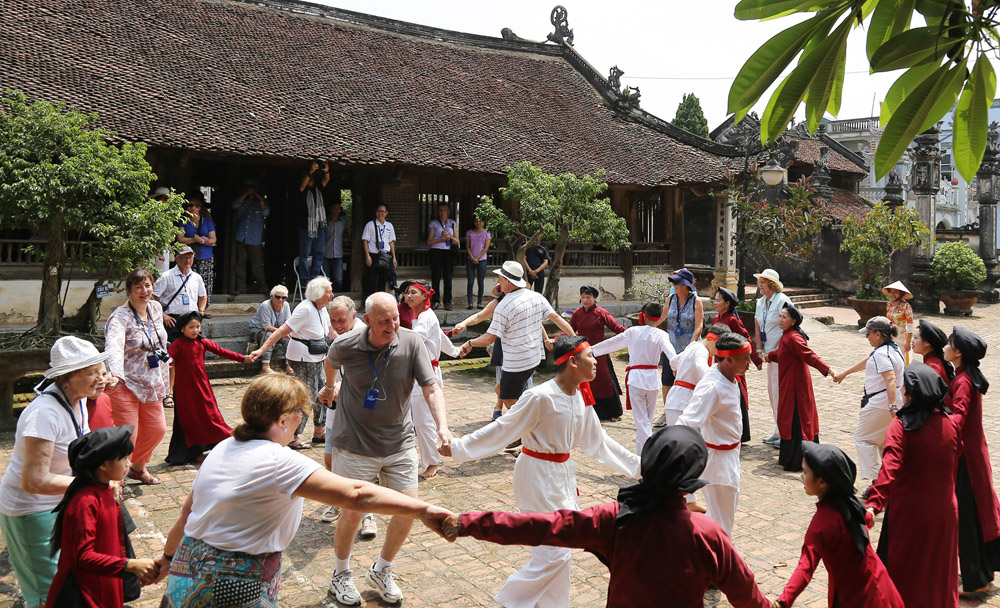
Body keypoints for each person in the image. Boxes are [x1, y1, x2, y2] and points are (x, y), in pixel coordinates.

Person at [152, 373, 454, 606]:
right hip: (235, 578)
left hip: (187, 565)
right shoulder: (279, 461)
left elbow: (187, 513)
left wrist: (167, 558)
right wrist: (423, 509)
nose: (303, 420)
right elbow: (357, 494)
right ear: (283, 419)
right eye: (301, 413)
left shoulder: (224, 446)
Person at [443, 426, 771, 608]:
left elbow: (540, 527)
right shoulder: (708, 534)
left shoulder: (614, 518)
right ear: (693, 477)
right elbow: (748, 597)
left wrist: (466, 523)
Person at [440, 335, 641, 608]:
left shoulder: (580, 396)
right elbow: (504, 429)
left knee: (557, 550)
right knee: (557, 551)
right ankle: (511, 600)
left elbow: (598, 442)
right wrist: (459, 448)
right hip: (536, 475)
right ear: (572, 361)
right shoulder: (540, 396)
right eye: (590, 356)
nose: (596, 361)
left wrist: (640, 467)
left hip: (562, 476)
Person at [317, 292, 452, 606]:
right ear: (367, 321)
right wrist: (329, 384)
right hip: (354, 443)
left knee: (410, 509)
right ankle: (340, 574)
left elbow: (431, 387)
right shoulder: (346, 344)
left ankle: (382, 569)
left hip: (399, 441)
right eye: (383, 321)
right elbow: (330, 362)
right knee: (352, 512)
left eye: (395, 318)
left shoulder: (411, 341)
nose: (392, 325)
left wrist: (442, 426)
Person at [0, 337, 106, 608]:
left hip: (59, 502)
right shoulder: (44, 414)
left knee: (68, 581)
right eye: (91, 373)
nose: (100, 378)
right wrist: (90, 484)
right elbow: (34, 480)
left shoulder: (79, 399)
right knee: (48, 591)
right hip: (31, 509)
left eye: (100, 369)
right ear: (66, 378)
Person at [864, 363, 961, 608]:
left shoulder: (901, 426)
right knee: (939, 575)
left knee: (907, 576)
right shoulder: (951, 423)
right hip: (945, 513)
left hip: (910, 514)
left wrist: (874, 504)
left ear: (908, 393)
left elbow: (889, 468)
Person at [775, 443, 904, 608]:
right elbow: (867, 518)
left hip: (856, 598)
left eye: (805, 472)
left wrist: (783, 601)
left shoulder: (821, 524)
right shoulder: (852, 505)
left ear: (822, 482)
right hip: (881, 585)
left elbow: (805, 569)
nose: (802, 476)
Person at [45, 426, 159, 608]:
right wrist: (130, 565)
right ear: (104, 465)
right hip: (83, 593)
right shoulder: (85, 502)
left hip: (104, 581)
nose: (129, 463)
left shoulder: (106, 490)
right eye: (123, 458)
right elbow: (83, 557)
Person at [459, 260, 575, 410]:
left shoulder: (504, 305)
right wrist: (575, 339)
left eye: (500, 280)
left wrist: (469, 343)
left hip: (516, 361)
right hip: (533, 357)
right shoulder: (535, 297)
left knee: (508, 398)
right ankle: (525, 421)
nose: (498, 282)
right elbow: (557, 318)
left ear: (508, 282)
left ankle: (526, 427)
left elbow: (489, 338)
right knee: (502, 390)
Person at [677, 332, 752, 537]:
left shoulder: (728, 376)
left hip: (728, 456)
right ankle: (718, 564)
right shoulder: (712, 386)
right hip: (719, 464)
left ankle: (702, 556)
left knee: (717, 519)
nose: (750, 363)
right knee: (722, 526)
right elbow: (687, 421)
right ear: (729, 359)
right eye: (745, 358)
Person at [945, 327, 1000, 594]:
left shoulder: (964, 381)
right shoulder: (963, 375)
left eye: (949, 344)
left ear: (958, 353)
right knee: (973, 515)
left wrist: (938, 428)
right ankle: (980, 574)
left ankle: (976, 580)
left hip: (966, 456)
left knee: (966, 517)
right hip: (970, 453)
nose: (944, 347)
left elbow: (959, 416)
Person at [250, 277, 333, 449]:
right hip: (303, 358)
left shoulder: (322, 309)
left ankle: (319, 430)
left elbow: (331, 332)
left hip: (318, 357)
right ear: (318, 294)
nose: (332, 295)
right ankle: (295, 435)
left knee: (324, 392)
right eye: (328, 292)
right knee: (306, 396)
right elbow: (281, 331)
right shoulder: (305, 309)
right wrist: (262, 350)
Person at [105, 268, 170, 485]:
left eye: (148, 285)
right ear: (129, 290)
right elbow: (113, 346)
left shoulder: (155, 308)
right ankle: (116, 478)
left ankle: (137, 467)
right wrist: (115, 374)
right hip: (126, 382)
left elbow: (158, 338)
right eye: (139, 287)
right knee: (127, 436)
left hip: (151, 380)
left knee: (157, 429)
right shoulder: (119, 317)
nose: (145, 291)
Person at [590, 302, 677, 455]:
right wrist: (677, 367)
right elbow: (672, 355)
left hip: (637, 380)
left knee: (642, 421)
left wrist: (591, 350)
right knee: (646, 421)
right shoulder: (662, 335)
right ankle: (642, 455)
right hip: (652, 380)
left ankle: (648, 454)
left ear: (642, 315)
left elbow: (612, 343)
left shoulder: (633, 331)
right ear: (658, 319)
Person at [165, 311, 250, 466]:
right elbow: (169, 359)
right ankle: (193, 453)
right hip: (184, 391)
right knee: (189, 419)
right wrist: (164, 362)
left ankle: (223, 443)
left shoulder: (203, 342)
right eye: (191, 327)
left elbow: (222, 351)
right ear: (182, 328)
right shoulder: (178, 344)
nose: (195, 330)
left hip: (202, 387)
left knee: (210, 415)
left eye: (198, 326)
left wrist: (243, 358)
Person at [832, 316, 904, 483]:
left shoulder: (881, 354)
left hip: (880, 404)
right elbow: (869, 361)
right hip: (891, 401)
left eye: (869, 334)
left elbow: (890, 379)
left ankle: (875, 481)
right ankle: (890, 479)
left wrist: (892, 406)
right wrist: (845, 373)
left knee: (863, 439)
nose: (867, 337)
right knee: (884, 443)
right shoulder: (893, 349)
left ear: (878, 334)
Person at [319, 296, 369, 527]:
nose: (337, 325)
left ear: (354, 315)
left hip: (360, 412)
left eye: (341, 320)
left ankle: (367, 512)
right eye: (333, 321)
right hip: (336, 408)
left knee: (360, 463)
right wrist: (329, 388)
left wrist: (341, 385)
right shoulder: (338, 339)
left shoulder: (366, 338)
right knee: (330, 459)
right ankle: (339, 500)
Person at [402, 280, 461, 479]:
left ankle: (432, 462)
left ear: (425, 296)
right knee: (418, 420)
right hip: (422, 372)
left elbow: (416, 338)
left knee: (423, 422)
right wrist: (456, 352)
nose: (408, 296)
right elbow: (440, 339)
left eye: (413, 293)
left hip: (425, 375)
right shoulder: (422, 316)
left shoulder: (425, 318)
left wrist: (391, 333)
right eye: (407, 293)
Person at [767, 304, 835, 472]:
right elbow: (784, 353)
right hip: (788, 382)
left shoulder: (794, 337)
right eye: (780, 316)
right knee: (788, 418)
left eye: (784, 317)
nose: (780, 320)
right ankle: (790, 457)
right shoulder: (786, 336)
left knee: (796, 419)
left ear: (793, 321)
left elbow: (809, 355)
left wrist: (828, 369)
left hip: (796, 386)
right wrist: (769, 356)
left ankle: (799, 459)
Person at [655, 268, 704, 425]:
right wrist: (648, 326)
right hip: (671, 348)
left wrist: (690, 347)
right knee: (667, 381)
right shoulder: (671, 298)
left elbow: (699, 326)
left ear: (685, 285)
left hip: (689, 350)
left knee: (689, 382)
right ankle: (667, 411)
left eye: (677, 282)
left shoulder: (696, 301)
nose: (674, 285)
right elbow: (662, 317)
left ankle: (692, 412)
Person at [570, 285, 626, 421]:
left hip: (600, 352)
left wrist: (633, 334)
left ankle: (614, 411)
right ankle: (593, 412)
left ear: (594, 298)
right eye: (583, 297)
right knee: (588, 380)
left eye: (588, 297)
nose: (585, 300)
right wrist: (556, 339)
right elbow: (569, 329)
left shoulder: (601, 312)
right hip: (584, 352)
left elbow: (616, 327)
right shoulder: (577, 313)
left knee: (605, 380)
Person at [713, 287, 763, 441]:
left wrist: (755, 359)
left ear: (727, 304)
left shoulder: (733, 320)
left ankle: (741, 433)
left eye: (718, 300)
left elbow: (746, 339)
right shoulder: (716, 319)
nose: (715, 302)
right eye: (714, 299)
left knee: (737, 395)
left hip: (733, 364)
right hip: (719, 363)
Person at [753, 268, 792, 447]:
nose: (760, 285)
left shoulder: (782, 300)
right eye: (760, 281)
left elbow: (791, 324)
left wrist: (779, 348)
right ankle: (778, 430)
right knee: (772, 393)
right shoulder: (760, 302)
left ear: (771, 284)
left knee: (780, 393)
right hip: (768, 353)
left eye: (763, 282)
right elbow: (757, 325)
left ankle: (784, 433)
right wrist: (759, 349)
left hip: (780, 353)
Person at [664, 324, 725, 427]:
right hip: (684, 402)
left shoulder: (693, 346)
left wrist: (677, 370)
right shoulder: (702, 351)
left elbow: (673, 361)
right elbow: (701, 367)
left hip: (675, 399)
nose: (717, 353)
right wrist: (717, 383)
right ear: (716, 343)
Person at [152, 246, 206, 343]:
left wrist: (201, 312)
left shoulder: (197, 277)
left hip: (192, 318)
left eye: (190, 257)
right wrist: (163, 315)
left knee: (199, 345)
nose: (188, 261)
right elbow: (152, 296)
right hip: (173, 320)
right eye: (184, 258)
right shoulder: (166, 276)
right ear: (177, 258)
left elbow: (203, 296)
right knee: (174, 350)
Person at [176, 192, 217, 316]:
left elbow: (213, 240)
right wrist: (196, 240)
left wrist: (202, 241)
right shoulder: (183, 221)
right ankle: (190, 307)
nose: (188, 208)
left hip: (205, 256)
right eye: (187, 206)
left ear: (198, 208)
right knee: (188, 282)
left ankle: (203, 309)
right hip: (188, 256)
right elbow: (180, 239)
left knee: (206, 283)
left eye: (191, 205)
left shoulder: (207, 222)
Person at [231, 181, 270, 296]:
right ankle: (241, 288)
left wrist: (259, 197)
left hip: (254, 237)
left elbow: (266, 212)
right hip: (241, 236)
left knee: (257, 264)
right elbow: (234, 205)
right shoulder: (244, 200)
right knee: (240, 263)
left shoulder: (262, 202)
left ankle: (263, 288)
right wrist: (246, 194)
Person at [248, 285, 292, 374]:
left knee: (290, 339)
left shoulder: (286, 305)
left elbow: (288, 322)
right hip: (258, 330)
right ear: (272, 296)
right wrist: (282, 332)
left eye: (284, 298)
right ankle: (265, 366)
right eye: (277, 297)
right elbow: (267, 327)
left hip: (278, 330)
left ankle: (289, 365)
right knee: (269, 335)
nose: (280, 300)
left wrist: (286, 333)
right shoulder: (265, 305)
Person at [297, 160, 330, 282]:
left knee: (319, 253)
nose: (311, 179)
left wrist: (326, 171)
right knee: (304, 254)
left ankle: (314, 277)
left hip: (319, 226)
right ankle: (305, 278)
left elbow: (326, 180)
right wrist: (310, 172)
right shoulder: (303, 190)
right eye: (309, 178)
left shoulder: (318, 189)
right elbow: (302, 185)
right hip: (306, 227)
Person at [427, 202, 459, 310]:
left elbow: (457, 241)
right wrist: (442, 239)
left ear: (448, 212)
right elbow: (429, 241)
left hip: (448, 252)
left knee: (448, 277)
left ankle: (447, 301)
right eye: (440, 210)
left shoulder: (452, 223)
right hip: (436, 251)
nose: (442, 213)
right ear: (438, 212)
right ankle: (435, 300)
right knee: (435, 277)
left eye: (444, 210)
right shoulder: (433, 223)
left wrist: (449, 237)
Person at [362, 203, 396, 297]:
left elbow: (391, 242)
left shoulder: (389, 226)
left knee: (383, 280)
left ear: (386, 213)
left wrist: (394, 258)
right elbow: (365, 240)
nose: (380, 213)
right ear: (376, 212)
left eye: (382, 211)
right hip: (373, 255)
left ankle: (380, 303)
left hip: (385, 256)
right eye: (378, 211)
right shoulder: (370, 225)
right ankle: (369, 304)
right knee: (371, 280)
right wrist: (367, 256)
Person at [912, 319, 954, 384]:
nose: (912, 341)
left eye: (915, 338)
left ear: (927, 343)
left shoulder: (933, 366)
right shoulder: (933, 361)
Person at [882, 281, 914, 365]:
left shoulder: (906, 306)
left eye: (895, 292)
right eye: (891, 292)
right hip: (890, 335)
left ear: (901, 293)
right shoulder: (889, 305)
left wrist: (908, 341)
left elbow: (910, 325)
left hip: (902, 336)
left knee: (901, 358)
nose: (893, 294)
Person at [465, 217, 491, 309]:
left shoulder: (486, 233)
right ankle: (470, 303)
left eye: (480, 221)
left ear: (483, 222)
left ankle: (479, 302)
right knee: (470, 281)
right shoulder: (469, 233)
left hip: (482, 260)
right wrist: (472, 257)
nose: (478, 223)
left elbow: (486, 247)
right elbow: (467, 247)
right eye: (476, 221)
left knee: (480, 282)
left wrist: (478, 257)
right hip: (470, 259)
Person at [324, 200, 346, 291]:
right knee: (325, 280)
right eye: (334, 208)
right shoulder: (325, 222)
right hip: (325, 253)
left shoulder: (343, 222)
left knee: (338, 279)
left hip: (338, 254)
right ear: (330, 209)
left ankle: (337, 297)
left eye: (338, 208)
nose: (336, 210)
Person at [151, 186, 172, 275]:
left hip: (164, 248)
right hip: (150, 248)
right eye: (166, 199)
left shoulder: (168, 216)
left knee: (163, 277)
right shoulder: (151, 214)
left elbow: (170, 235)